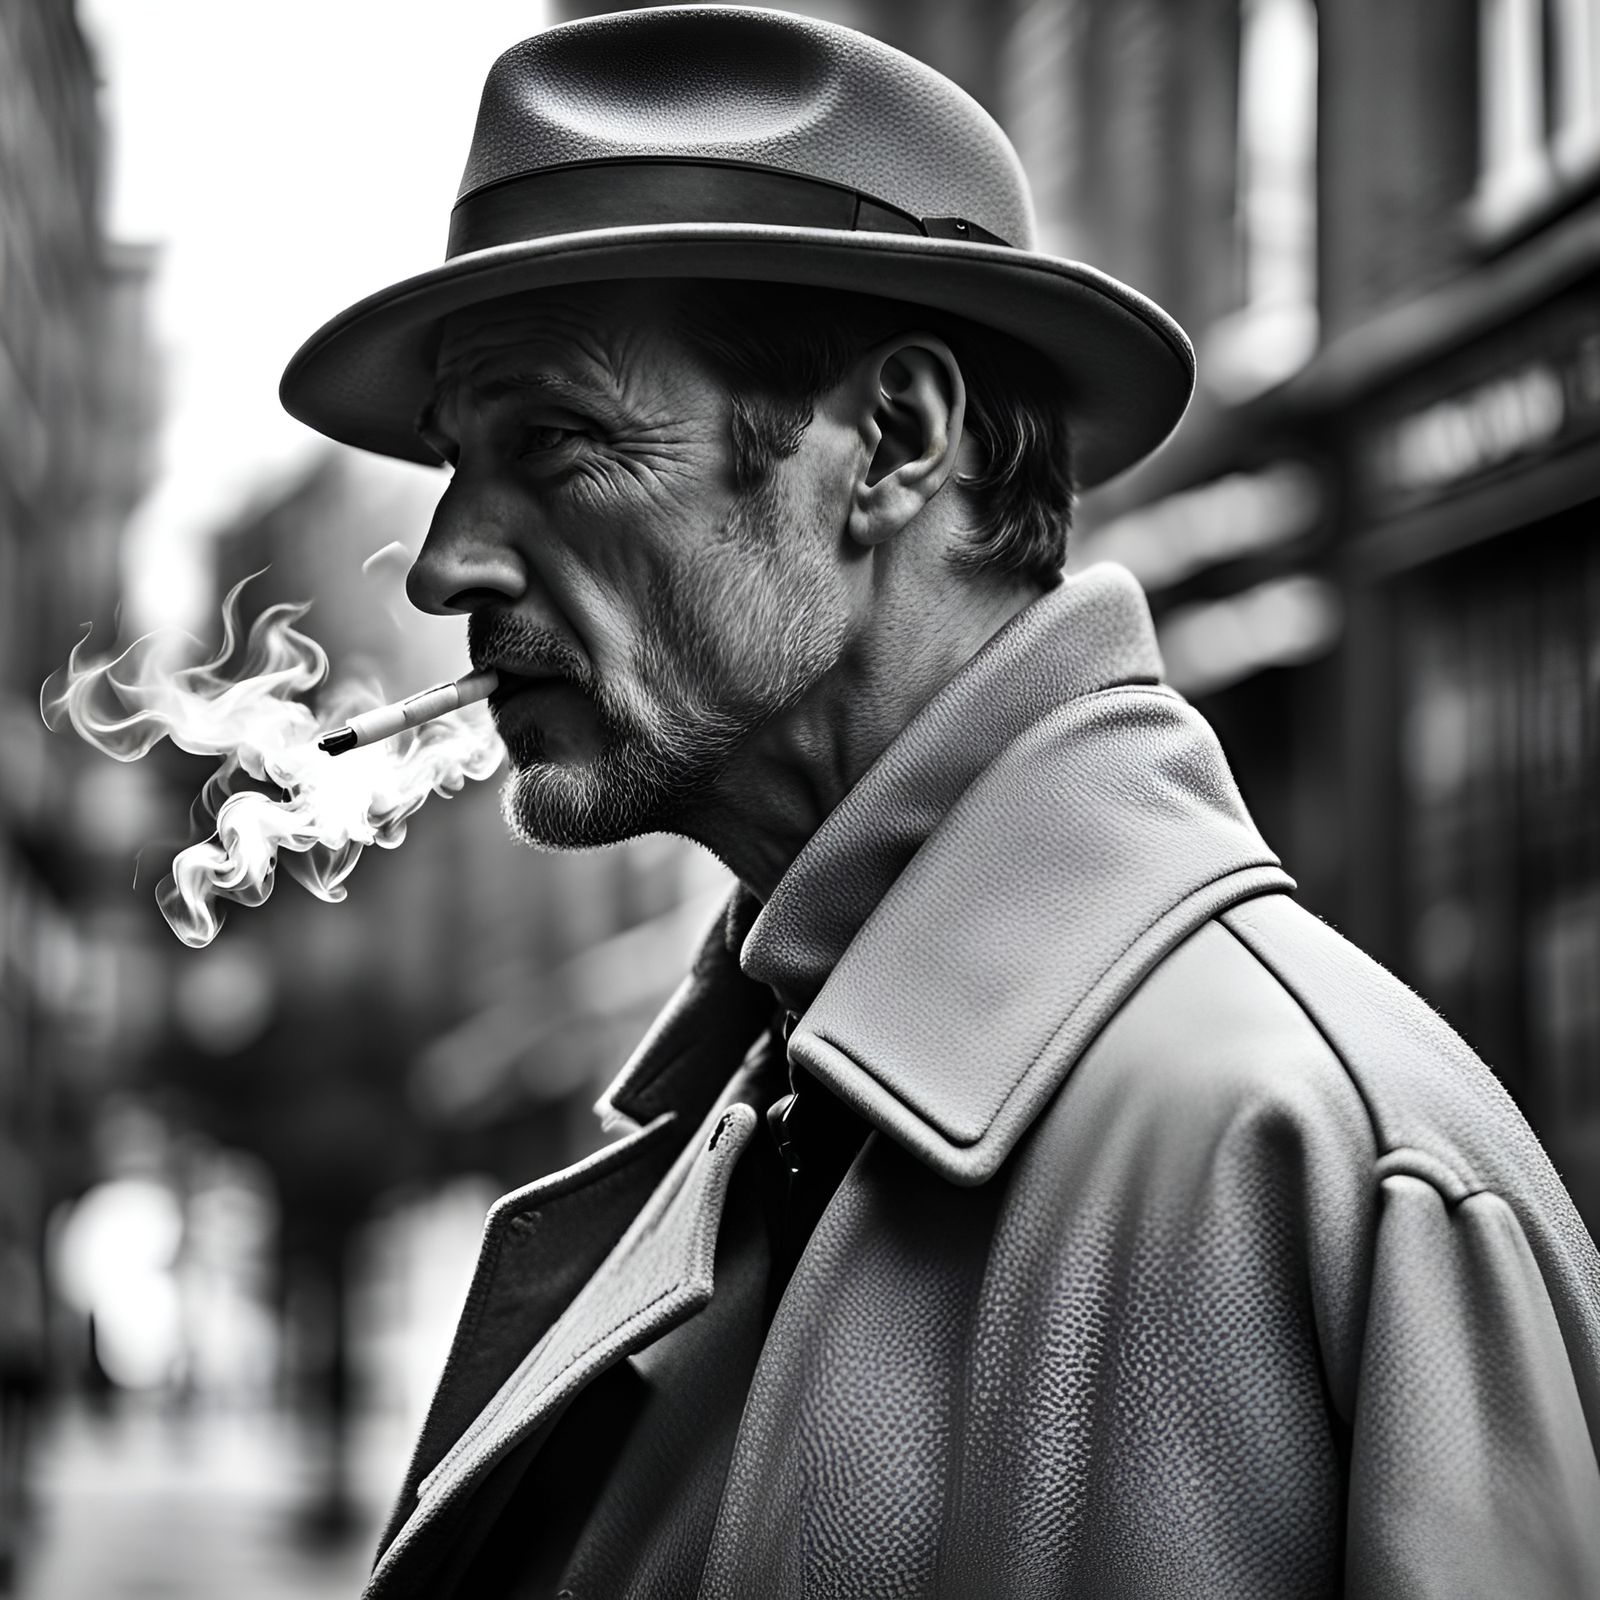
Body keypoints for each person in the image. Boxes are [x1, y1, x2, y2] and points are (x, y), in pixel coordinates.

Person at [280, 8, 1600, 1597]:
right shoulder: (764, 1110)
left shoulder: (1322, 1167)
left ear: (895, 442)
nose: (442, 565)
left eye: (555, 440)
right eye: (453, 460)